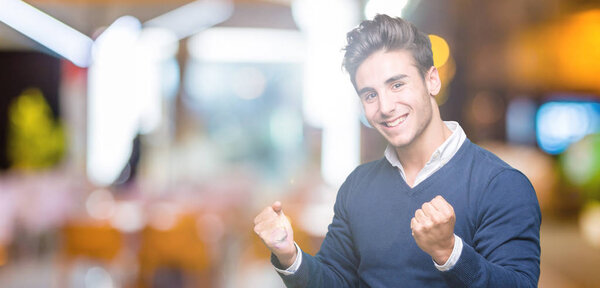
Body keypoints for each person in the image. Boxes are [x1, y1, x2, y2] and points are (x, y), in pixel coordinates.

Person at [253, 14, 540, 287]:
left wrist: (449, 252)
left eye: (397, 84)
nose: (385, 107)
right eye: (370, 95)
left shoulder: (502, 185)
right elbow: (336, 280)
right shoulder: (358, 186)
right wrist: (289, 255)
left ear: (432, 80)